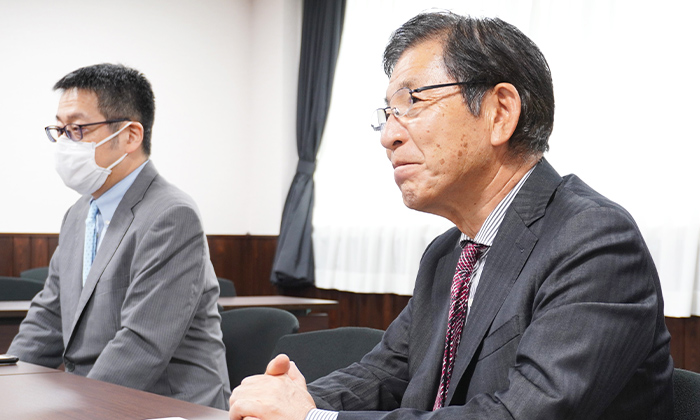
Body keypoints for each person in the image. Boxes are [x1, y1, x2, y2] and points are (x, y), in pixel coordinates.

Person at [229, 11, 673, 420]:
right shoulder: (449, 253)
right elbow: (385, 374)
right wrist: (286, 404)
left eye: (413, 102)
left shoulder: (593, 241)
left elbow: (522, 414)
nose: (388, 136)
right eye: (387, 113)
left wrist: (311, 419)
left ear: (499, 112)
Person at [8, 63, 231, 409]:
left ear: (130, 136)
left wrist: (74, 410)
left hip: (166, 405)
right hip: (95, 398)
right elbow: (49, 317)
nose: (65, 142)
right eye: (60, 130)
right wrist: (8, 381)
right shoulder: (79, 213)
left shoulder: (171, 215)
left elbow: (142, 345)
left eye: (78, 129)